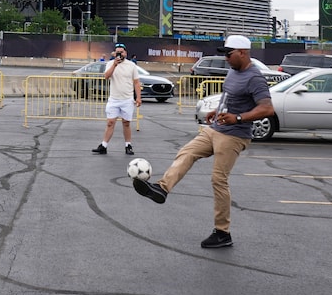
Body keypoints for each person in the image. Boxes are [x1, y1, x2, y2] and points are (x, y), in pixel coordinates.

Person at [133, 35, 274, 248]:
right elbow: (232, 98)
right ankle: (162, 189)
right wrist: (218, 111)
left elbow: (267, 108)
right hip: (216, 128)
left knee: (219, 180)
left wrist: (237, 118)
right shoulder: (233, 72)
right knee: (187, 152)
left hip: (235, 134)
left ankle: (222, 232)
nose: (226, 58)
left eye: (229, 54)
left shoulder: (254, 77)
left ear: (243, 53)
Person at [92, 43, 141, 155]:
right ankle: (104, 145)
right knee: (110, 122)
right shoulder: (110, 64)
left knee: (126, 123)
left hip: (127, 98)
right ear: (114, 53)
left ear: (125, 53)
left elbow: (136, 82)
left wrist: (138, 97)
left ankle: (128, 145)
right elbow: (106, 76)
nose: (120, 54)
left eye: (122, 52)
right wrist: (114, 64)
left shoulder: (131, 65)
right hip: (114, 98)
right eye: (117, 52)